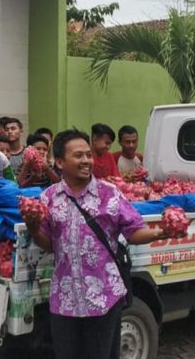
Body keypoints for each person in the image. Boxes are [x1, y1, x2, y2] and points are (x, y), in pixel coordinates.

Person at [20, 129, 166, 359]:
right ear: (59, 162)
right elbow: (49, 245)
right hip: (65, 299)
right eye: (78, 156)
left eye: (88, 154)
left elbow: (134, 231)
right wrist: (32, 227)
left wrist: (161, 232)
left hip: (103, 298)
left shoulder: (109, 194)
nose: (87, 160)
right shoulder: (49, 197)